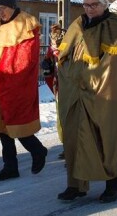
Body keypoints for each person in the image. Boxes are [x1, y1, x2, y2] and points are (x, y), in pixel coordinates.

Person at [56, 0, 117, 203]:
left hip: (103, 92)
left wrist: (91, 80)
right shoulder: (77, 25)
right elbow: (65, 55)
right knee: (73, 137)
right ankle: (76, 184)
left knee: (106, 136)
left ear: (104, 4)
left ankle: (113, 184)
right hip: (76, 93)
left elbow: (115, 66)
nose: (89, 9)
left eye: (94, 5)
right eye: (86, 4)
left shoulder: (115, 27)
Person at [0, 0, 48, 181]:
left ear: (12, 7)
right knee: (3, 127)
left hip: (16, 83)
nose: (0, 12)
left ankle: (38, 150)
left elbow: (25, 59)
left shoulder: (25, 24)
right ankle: (10, 166)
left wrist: (8, 77)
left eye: (3, 8)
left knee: (16, 123)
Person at [41, 24, 66, 159]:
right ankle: (66, 146)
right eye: (53, 41)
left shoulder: (71, 49)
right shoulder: (52, 51)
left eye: (57, 41)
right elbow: (48, 65)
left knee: (71, 119)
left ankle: (74, 148)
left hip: (72, 88)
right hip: (59, 87)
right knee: (61, 119)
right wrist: (47, 65)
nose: (54, 44)